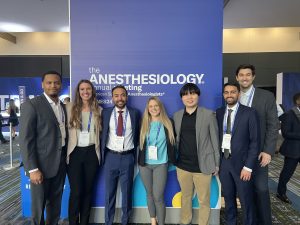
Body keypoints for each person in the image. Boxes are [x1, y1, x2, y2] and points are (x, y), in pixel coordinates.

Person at [19, 71, 68, 225]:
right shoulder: (31, 105)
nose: (53, 85)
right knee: (38, 207)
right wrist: (32, 169)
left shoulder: (63, 106)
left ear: (61, 85)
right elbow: (25, 140)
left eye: (56, 83)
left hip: (60, 163)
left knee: (55, 204)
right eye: (49, 83)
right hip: (40, 166)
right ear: (42, 85)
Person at [235, 64, 278, 225]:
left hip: (260, 153)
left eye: (248, 75)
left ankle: (265, 221)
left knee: (261, 188)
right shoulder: (233, 95)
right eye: (241, 75)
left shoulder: (266, 96)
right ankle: (250, 220)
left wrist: (268, 150)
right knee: (245, 190)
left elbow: (273, 125)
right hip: (239, 154)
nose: (244, 78)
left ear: (253, 77)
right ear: (237, 77)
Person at [173, 83, 219, 225]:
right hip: (182, 166)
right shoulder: (177, 116)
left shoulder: (208, 114)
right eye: (186, 94)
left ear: (198, 96)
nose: (189, 97)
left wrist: (216, 164)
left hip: (202, 166)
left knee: (203, 200)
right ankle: (185, 221)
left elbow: (215, 140)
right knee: (185, 197)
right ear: (182, 98)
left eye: (192, 93)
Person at [216, 83, 260, 225]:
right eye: (226, 92)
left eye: (233, 92)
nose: (229, 95)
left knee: (246, 199)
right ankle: (231, 222)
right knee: (228, 198)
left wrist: (248, 167)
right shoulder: (219, 112)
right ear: (223, 95)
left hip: (242, 165)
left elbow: (255, 142)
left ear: (238, 94)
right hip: (224, 162)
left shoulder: (250, 112)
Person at [101, 85, 140, 225]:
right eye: (116, 95)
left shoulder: (135, 113)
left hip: (128, 158)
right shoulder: (105, 113)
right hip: (110, 157)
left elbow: (138, 136)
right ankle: (108, 221)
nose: (120, 98)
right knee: (109, 194)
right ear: (112, 98)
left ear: (127, 97)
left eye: (123, 95)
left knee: (127, 193)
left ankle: (125, 221)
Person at [66, 80, 102, 225]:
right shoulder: (69, 108)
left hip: (92, 153)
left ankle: (84, 222)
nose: (85, 92)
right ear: (78, 92)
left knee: (88, 191)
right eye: (82, 89)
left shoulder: (99, 110)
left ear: (92, 91)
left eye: (88, 89)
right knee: (76, 192)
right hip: (75, 153)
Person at [138, 97, 176, 225]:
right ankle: (153, 221)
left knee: (158, 197)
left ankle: (161, 223)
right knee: (149, 194)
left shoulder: (168, 122)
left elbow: (173, 143)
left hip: (161, 164)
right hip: (145, 165)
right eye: (150, 106)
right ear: (147, 109)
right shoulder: (143, 123)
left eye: (156, 106)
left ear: (160, 107)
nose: (153, 108)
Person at [277, 92, 300, 204]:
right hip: (293, 150)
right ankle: (281, 193)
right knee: (287, 173)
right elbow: (286, 133)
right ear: (297, 101)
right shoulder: (289, 115)